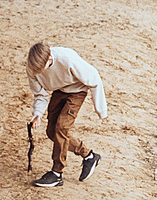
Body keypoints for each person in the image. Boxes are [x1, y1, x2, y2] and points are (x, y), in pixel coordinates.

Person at [24, 40, 107, 189]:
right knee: (51, 132)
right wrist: (37, 113)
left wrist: (100, 110)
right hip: (59, 90)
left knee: (61, 128)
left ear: (49, 58)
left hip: (77, 90)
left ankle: (56, 173)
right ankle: (89, 156)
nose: (39, 73)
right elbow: (40, 94)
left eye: (41, 70)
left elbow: (94, 79)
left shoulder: (67, 58)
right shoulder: (32, 69)